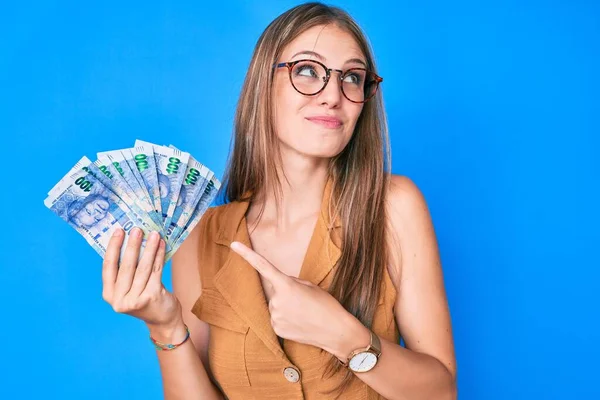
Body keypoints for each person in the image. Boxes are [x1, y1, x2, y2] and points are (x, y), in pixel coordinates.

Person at [100, 2, 457, 399]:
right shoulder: (202, 235)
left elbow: (440, 392)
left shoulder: (393, 206)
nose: (332, 96)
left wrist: (343, 335)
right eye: (307, 71)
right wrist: (165, 327)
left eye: (352, 78)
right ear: (262, 84)